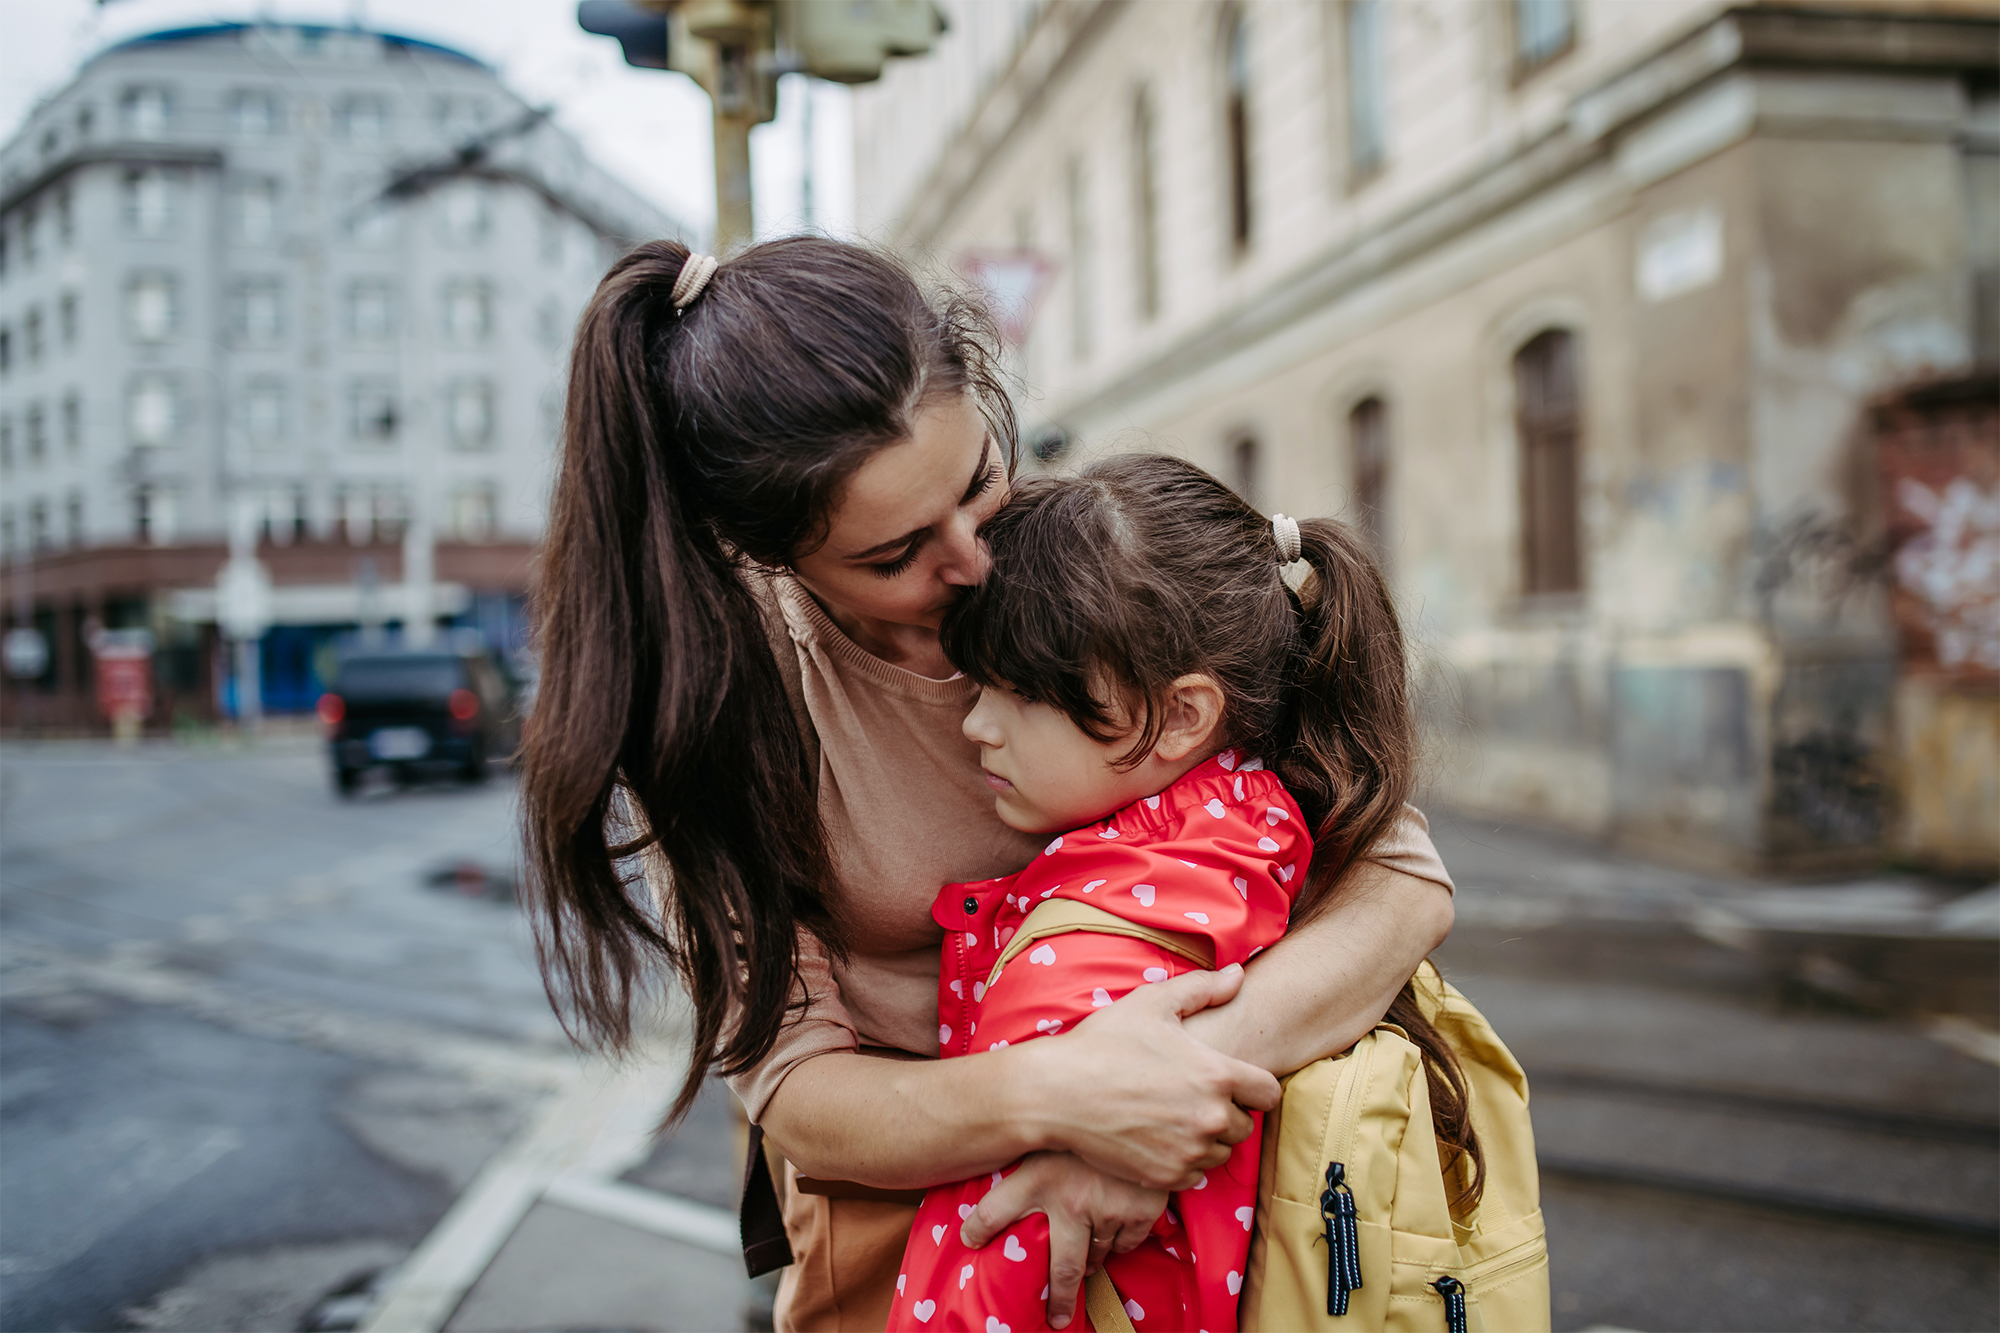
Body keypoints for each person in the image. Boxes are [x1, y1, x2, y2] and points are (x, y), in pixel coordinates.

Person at [520, 237, 1456, 1332]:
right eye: (895, 553)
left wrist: (1154, 1108)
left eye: (976, 485)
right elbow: (801, 1095)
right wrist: (1063, 1103)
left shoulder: (1081, 568)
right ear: (763, 551)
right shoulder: (717, 707)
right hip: (923, 1252)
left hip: (1221, 1207)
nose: (971, 560)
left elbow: (1398, 878)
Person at [890, 456, 1482, 1333]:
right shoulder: (1255, 824)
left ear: (1181, 715)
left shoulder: (1125, 912)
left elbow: (1004, 1237)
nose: (976, 723)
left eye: (1016, 692)